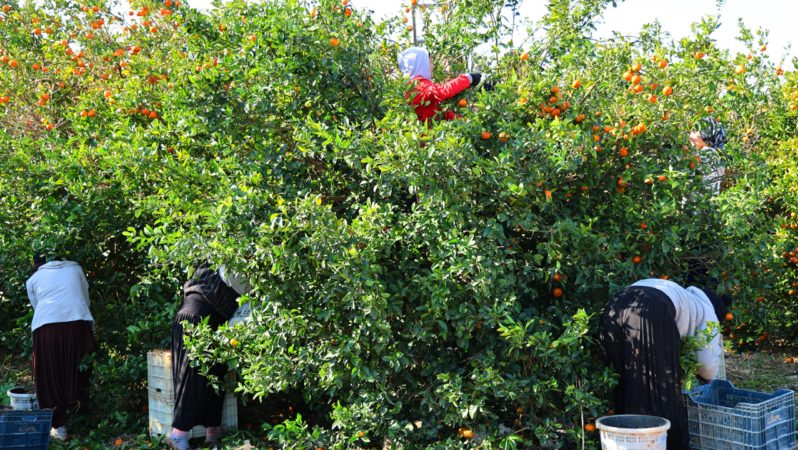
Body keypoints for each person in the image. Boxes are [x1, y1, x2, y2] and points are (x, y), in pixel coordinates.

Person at [597, 278, 734, 450]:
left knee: (626, 382)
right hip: (652, 310)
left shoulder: (682, 295)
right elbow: (707, 364)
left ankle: (623, 442)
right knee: (663, 392)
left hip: (615, 306)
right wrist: (707, 378)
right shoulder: (709, 313)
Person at [167, 263, 251, 450]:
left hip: (212, 320)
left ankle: (213, 432)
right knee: (193, 379)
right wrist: (255, 288)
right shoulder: (229, 252)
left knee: (215, 377)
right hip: (198, 317)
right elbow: (229, 273)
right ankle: (178, 436)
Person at [25, 250, 95, 442]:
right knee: (77, 367)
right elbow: (85, 297)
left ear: (37, 265)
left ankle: (59, 426)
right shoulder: (76, 268)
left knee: (49, 373)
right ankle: (80, 410)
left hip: (47, 327)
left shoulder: (34, 278)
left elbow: (37, 306)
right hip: (78, 323)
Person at [397, 46, 482, 125]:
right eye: (430, 62)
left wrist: (467, 124)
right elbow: (442, 91)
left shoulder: (416, 86)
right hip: (426, 139)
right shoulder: (418, 86)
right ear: (421, 65)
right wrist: (468, 78)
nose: (433, 66)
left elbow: (440, 115)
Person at [688, 117, 729, 196]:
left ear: (706, 133)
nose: (690, 136)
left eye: (694, 131)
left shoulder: (706, 154)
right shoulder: (715, 154)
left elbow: (681, 172)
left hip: (697, 205)